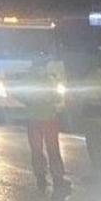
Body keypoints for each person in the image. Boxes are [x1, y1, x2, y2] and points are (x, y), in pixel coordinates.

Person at [18, 60, 70, 192]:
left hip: (33, 119)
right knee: (53, 149)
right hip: (49, 119)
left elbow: (21, 96)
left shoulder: (27, 80)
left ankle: (40, 178)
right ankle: (58, 179)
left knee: (36, 150)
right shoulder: (49, 80)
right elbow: (58, 98)